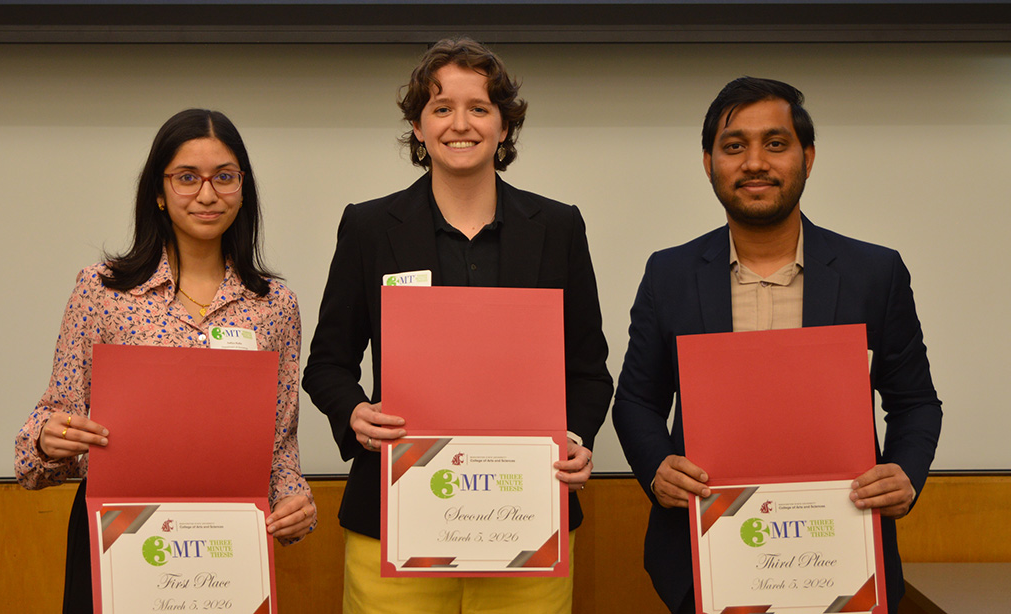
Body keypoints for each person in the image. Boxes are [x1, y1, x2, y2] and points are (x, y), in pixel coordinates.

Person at [303, 38, 613, 614]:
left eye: (479, 108)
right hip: (393, 525)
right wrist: (353, 413)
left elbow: (589, 372)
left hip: (528, 522)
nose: (459, 124)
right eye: (441, 108)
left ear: (503, 125)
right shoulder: (370, 228)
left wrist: (578, 438)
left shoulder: (558, 227)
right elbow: (327, 364)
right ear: (417, 128)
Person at [612, 77, 942, 613]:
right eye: (734, 146)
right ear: (708, 162)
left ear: (808, 157)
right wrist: (657, 467)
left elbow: (915, 403)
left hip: (842, 554)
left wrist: (905, 472)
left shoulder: (873, 272)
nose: (755, 162)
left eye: (776, 143)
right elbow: (636, 403)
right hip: (706, 556)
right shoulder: (668, 273)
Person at [14, 109, 317, 613]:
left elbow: (278, 444)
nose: (206, 194)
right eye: (186, 178)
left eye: (224, 177)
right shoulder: (104, 291)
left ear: (243, 190)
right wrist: (49, 438)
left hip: (225, 542)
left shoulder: (275, 305)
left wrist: (294, 503)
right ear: (158, 190)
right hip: (119, 533)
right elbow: (44, 436)